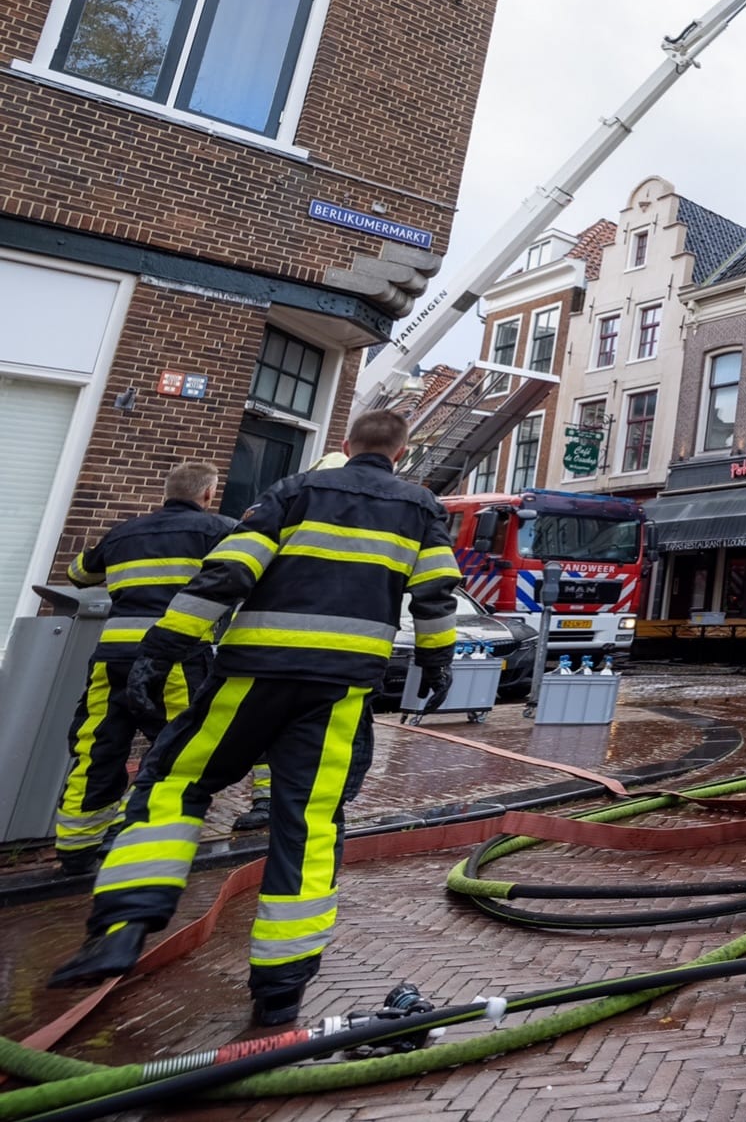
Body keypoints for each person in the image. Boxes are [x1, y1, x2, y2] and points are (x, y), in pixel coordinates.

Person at [47, 408, 462, 1025]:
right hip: (339, 692)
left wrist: (164, 647)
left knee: (174, 782)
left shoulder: (294, 491)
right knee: (312, 823)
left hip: (252, 674)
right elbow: (434, 592)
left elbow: (230, 572)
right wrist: (437, 662)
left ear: (345, 445)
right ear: (400, 453)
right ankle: (281, 990)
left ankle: (123, 927)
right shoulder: (422, 509)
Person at [51, 462, 238, 873]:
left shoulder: (123, 532)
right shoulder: (220, 532)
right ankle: (140, 833)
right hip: (175, 656)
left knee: (97, 743)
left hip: (112, 658)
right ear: (208, 495)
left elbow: (78, 574)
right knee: (176, 746)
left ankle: (76, 845)